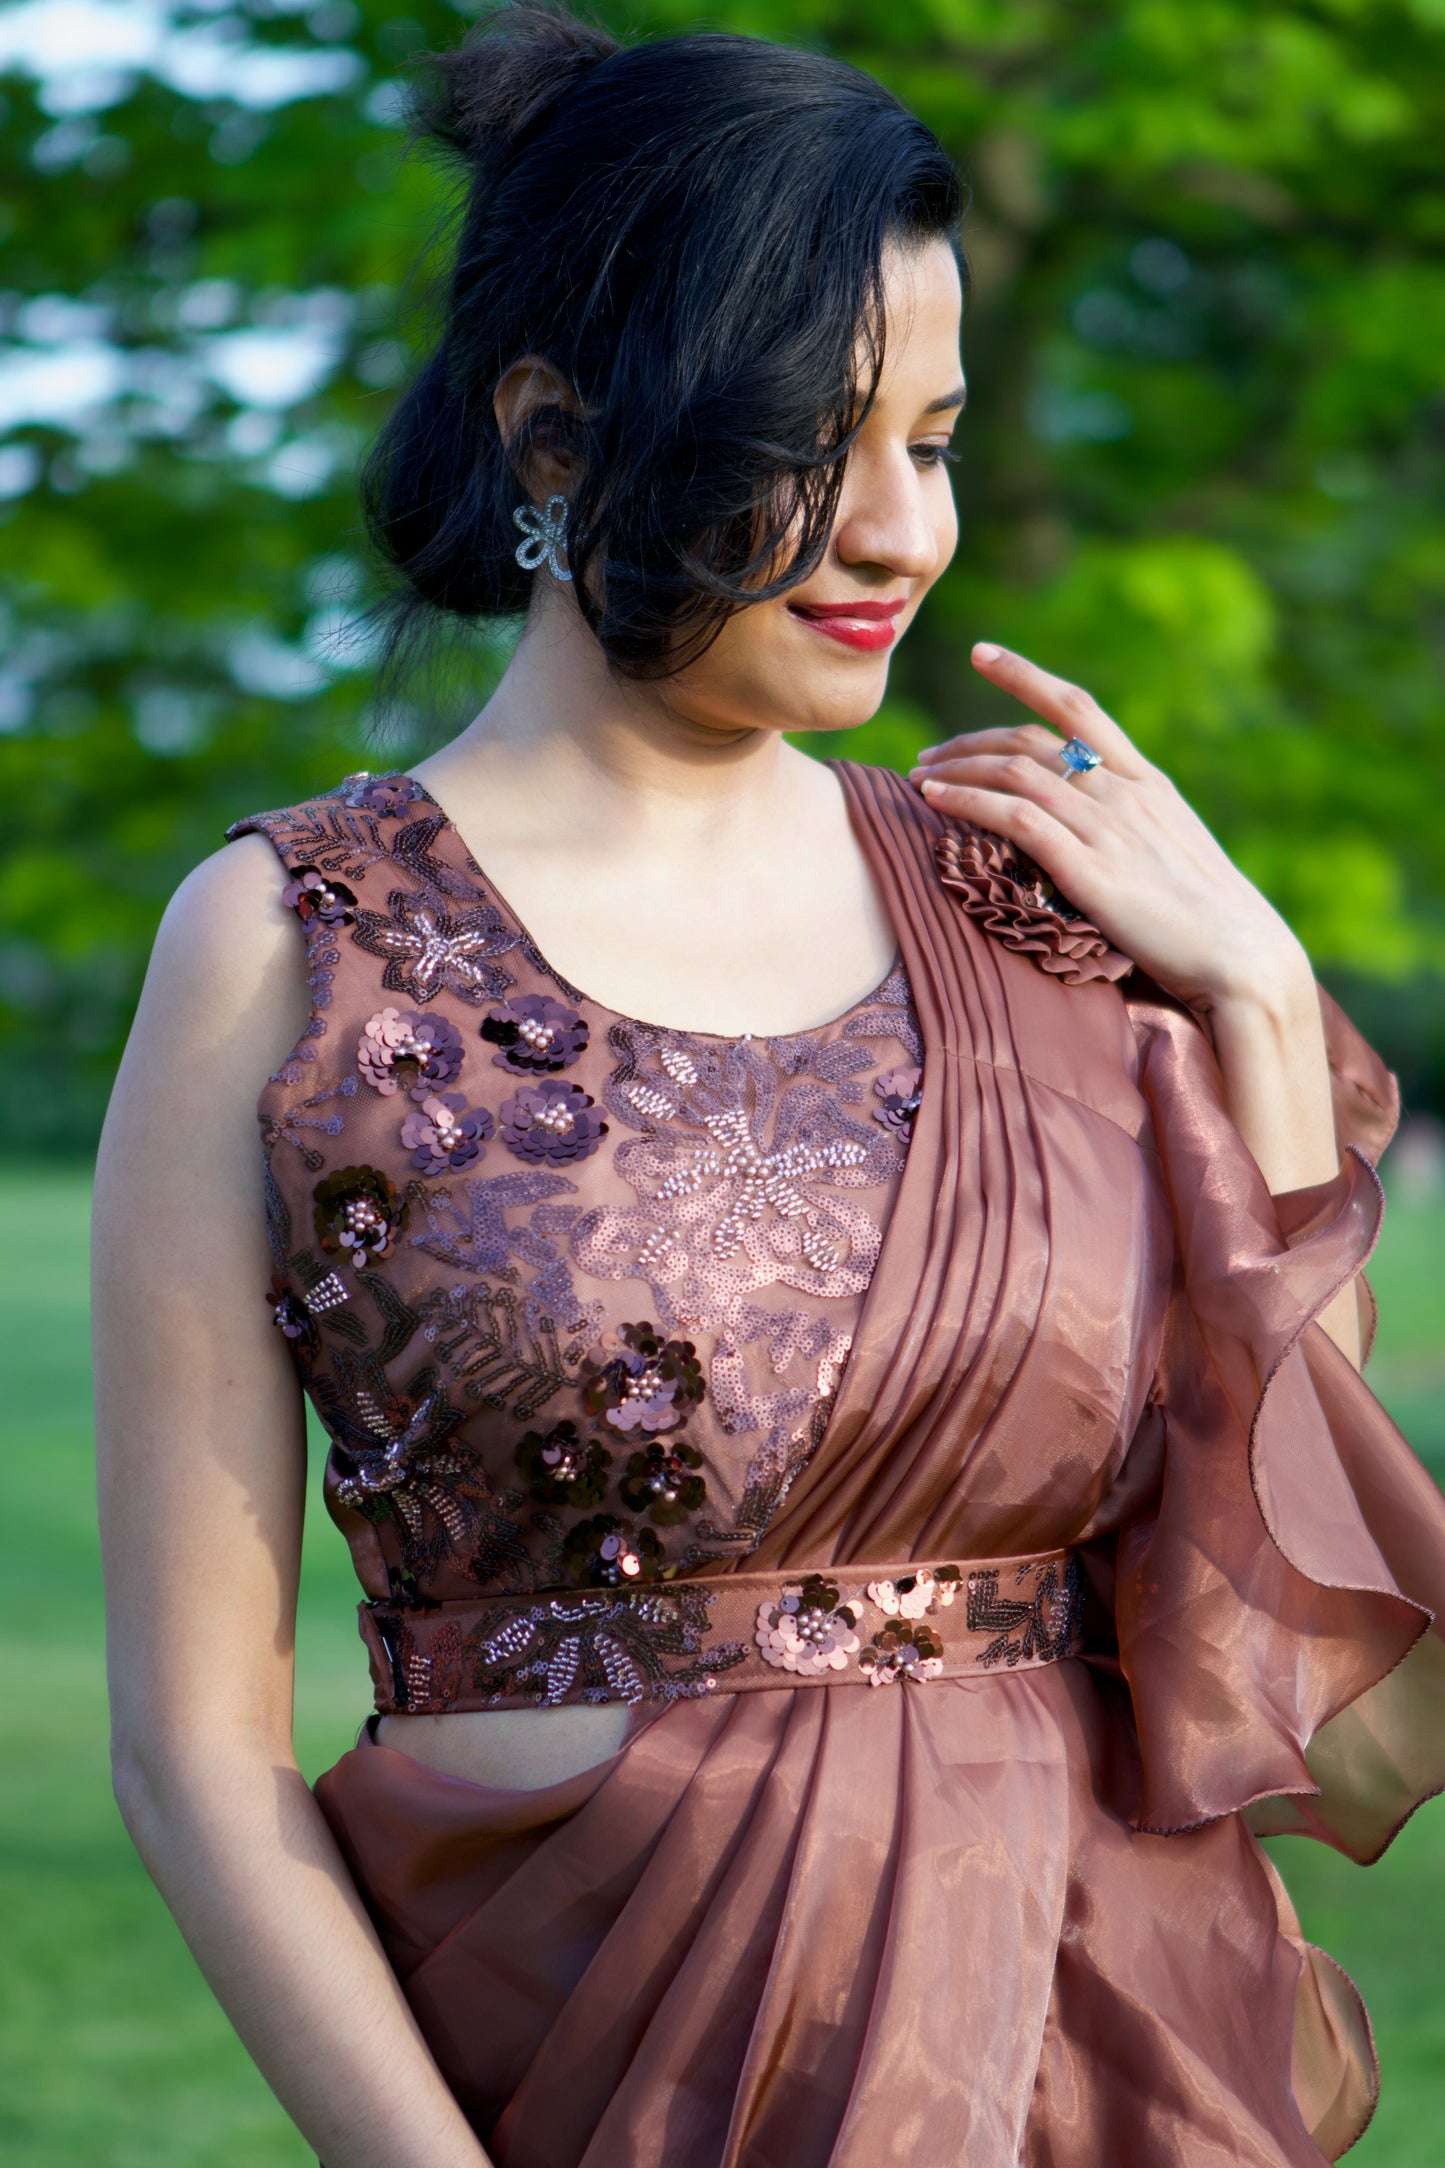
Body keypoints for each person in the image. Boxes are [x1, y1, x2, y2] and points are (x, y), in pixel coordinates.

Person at [92, 9, 1445, 2165]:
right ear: (552, 438)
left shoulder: (1038, 912)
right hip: (583, 2079)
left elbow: (1274, 1586)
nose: (905, 528)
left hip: (1099, 2063)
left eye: (941, 436)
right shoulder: (294, 951)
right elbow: (190, 1739)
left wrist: (1263, 1005)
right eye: (821, 442)